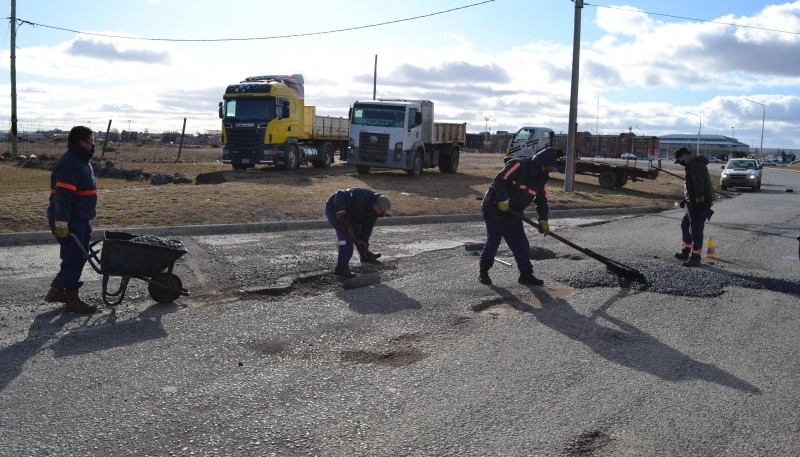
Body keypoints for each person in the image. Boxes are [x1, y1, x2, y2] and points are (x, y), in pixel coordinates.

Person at [478, 147, 558, 286]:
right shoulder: (519, 165)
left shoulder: (541, 179)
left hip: (514, 212)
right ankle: (483, 272)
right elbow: (499, 180)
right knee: (494, 240)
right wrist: (503, 199)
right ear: (542, 163)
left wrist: (543, 219)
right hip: (494, 208)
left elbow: (541, 200)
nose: (548, 171)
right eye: (548, 168)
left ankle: (525, 274)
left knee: (520, 242)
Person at [45, 126, 98, 313]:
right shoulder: (70, 164)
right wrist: (61, 224)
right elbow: (63, 197)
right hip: (69, 220)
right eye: (92, 141)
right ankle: (72, 299)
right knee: (73, 257)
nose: (94, 144)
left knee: (78, 255)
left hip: (81, 219)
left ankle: (57, 289)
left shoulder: (82, 161)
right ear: (81, 143)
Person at [325, 188, 391, 278]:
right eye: (380, 211)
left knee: (360, 235)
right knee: (346, 238)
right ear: (376, 205)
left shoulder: (375, 211)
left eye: (383, 212)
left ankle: (365, 255)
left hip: (351, 215)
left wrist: (363, 240)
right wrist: (340, 210)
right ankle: (341, 268)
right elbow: (340, 194)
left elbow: (367, 227)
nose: (380, 213)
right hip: (335, 208)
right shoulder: (361, 196)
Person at [674, 146, 714, 267]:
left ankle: (695, 257)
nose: (681, 162)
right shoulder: (693, 164)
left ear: (684, 156)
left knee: (696, 229)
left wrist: (699, 202)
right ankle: (686, 251)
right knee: (685, 225)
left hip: (699, 203)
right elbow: (691, 186)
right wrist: (686, 200)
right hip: (692, 202)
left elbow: (698, 184)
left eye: (680, 159)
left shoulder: (694, 165)